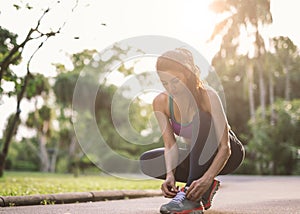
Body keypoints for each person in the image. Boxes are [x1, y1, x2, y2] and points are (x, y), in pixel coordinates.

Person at [139, 48, 245, 214]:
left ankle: (191, 197)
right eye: (165, 83)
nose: (170, 88)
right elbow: (169, 145)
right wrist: (170, 176)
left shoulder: (208, 96)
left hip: (227, 154)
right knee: (148, 160)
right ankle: (201, 190)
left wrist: (207, 177)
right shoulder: (161, 102)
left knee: (201, 118)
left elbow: (226, 148)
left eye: (175, 81)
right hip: (197, 157)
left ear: (187, 75)